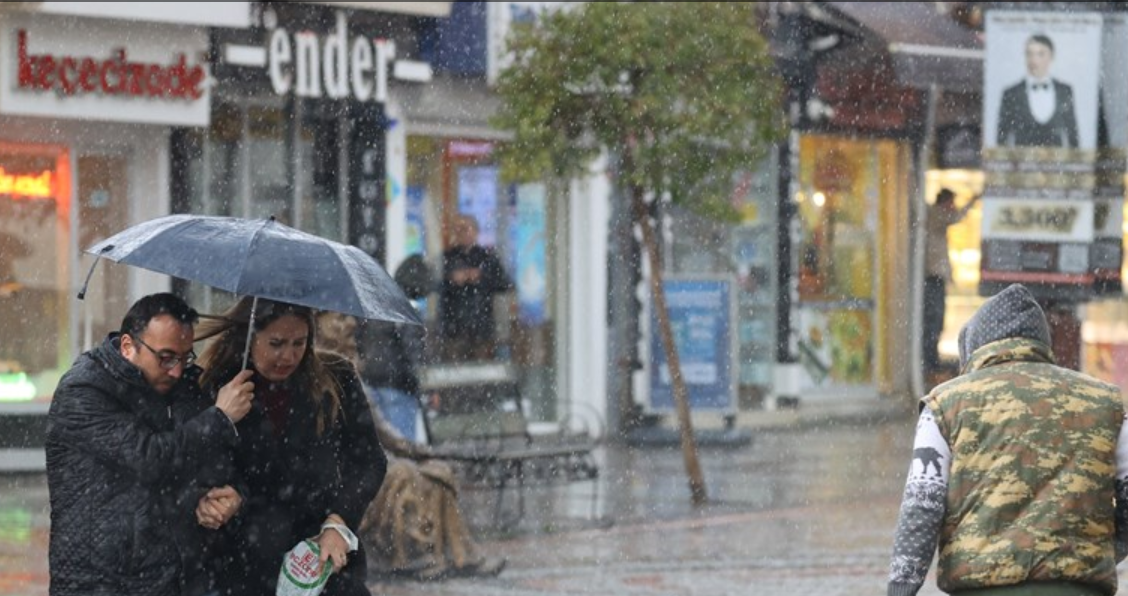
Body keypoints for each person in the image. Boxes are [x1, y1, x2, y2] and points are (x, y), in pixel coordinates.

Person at [888, 284, 1128, 596]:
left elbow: (921, 508)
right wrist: (1101, 553)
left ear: (974, 347)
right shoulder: (1107, 403)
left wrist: (900, 588)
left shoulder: (944, 405)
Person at [46, 292, 254, 596]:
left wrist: (228, 496)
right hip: (97, 580)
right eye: (166, 357)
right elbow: (150, 458)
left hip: (171, 576)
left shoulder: (186, 386)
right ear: (128, 346)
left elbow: (215, 461)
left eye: (186, 357)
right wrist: (220, 418)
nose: (177, 370)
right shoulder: (84, 388)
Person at [196, 297, 387, 596]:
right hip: (241, 561)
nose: (288, 356)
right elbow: (192, 462)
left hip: (319, 556)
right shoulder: (215, 385)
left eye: (299, 343)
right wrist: (221, 418)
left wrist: (338, 522)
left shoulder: (336, 378)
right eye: (276, 343)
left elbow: (369, 460)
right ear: (249, 336)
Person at [316, 310, 506, 581]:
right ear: (318, 325)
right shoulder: (315, 371)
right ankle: (408, 555)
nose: (352, 324)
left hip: (367, 460)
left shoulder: (350, 369)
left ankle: (461, 556)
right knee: (401, 474)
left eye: (350, 318)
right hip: (341, 470)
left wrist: (420, 451)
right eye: (340, 318)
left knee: (438, 473)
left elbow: (382, 430)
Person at [357, 255, 432, 441]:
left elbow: (362, 337)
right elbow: (411, 348)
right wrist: (422, 381)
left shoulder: (379, 301)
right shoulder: (407, 308)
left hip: (372, 379)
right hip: (399, 383)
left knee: (382, 444)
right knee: (403, 443)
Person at [438, 215, 513, 362]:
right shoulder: (447, 257)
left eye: (466, 229)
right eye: (458, 229)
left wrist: (481, 277)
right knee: (454, 369)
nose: (462, 233)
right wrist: (451, 280)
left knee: (481, 369)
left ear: (476, 232)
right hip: (454, 326)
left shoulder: (487, 257)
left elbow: (504, 284)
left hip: (481, 325)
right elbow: (434, 286)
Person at [923, 188, 977, 381]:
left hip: (935, 278)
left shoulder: (933, 217)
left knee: (935, 322)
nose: (953, 207)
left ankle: (930, 362)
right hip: (932, 278)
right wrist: (973, 201)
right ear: (945, 202)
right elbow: (954, 217)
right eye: (951, 203)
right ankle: (929, 364)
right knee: (933, 322)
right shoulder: (935, 215)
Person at [996, 33, 1080, 148]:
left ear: (1051, 56)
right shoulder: (1011, 93)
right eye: (1029, 54)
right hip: (1021, 162)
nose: (1033, 60)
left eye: (1040, 54)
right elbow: (1002, 136)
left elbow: (1072, 134)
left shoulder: (1064, 91)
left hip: (1056, 162)